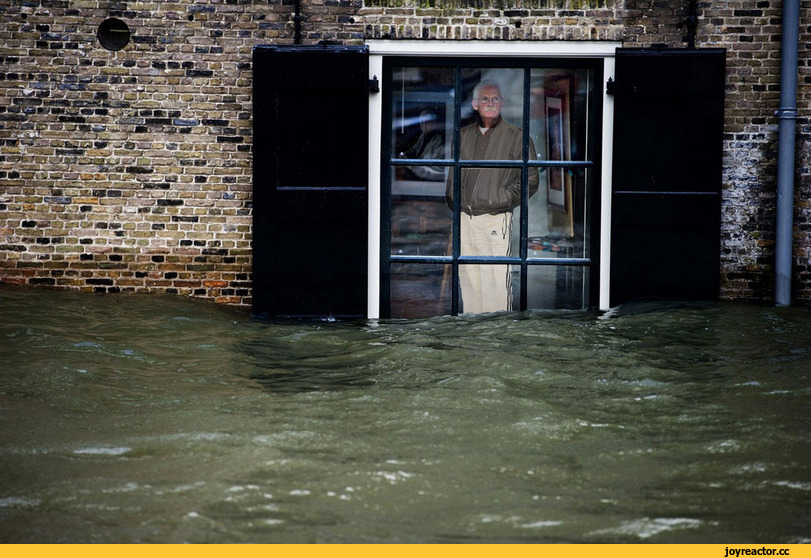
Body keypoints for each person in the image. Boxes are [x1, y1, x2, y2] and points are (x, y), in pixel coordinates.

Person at [446, 80, 539, 314]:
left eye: (495, 99)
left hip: (496, 219)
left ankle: (497, 332)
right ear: (475, 104)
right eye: (485, 99)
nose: (490, 103)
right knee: (468, 277)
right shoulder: (463, 135)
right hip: (465, 218)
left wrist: (501, 199)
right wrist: (455, 204)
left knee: (496, 279)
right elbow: (453, 175)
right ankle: (473, 331)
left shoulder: (517, 137)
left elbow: (531, 180)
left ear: (502, 104)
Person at [399, 110, 446, 181]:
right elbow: (414, 150)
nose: (423, 126)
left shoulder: (440, 141)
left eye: (427, 122)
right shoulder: (423, 136)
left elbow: (435, 172)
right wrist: (404, 155)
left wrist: (411, 166)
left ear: (434, 123)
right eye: (421, 123)